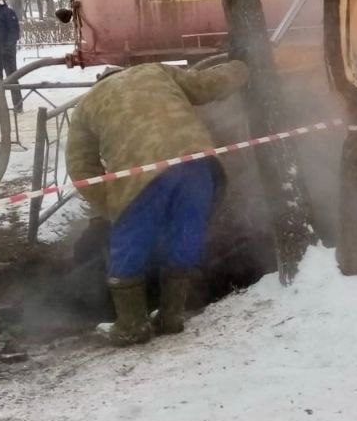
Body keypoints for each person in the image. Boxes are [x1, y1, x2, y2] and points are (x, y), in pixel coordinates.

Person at [66, 61, 249, 345]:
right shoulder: (155, 71)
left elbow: (81, 170)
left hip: (142, 175)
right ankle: (171, 316)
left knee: (130, 243)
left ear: (102, 80)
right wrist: (240, 67)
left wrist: (112, 203)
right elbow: (205, 85)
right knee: (185, 233)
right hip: (198, 163)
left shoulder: (86, 105)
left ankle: (132, 325)